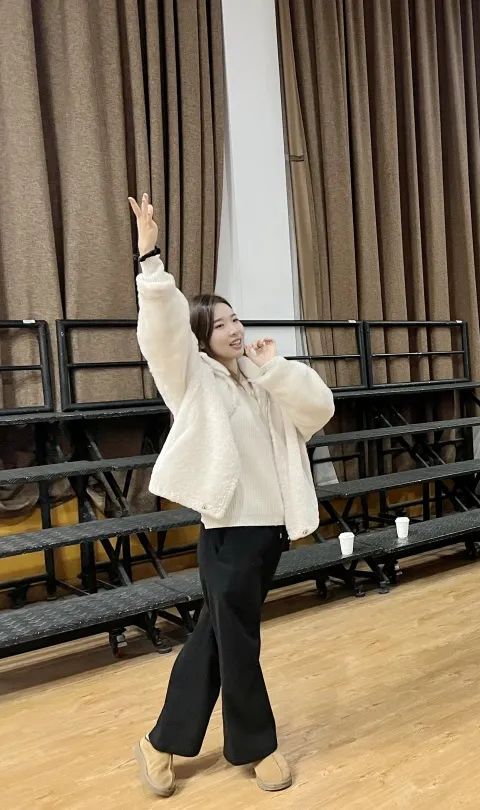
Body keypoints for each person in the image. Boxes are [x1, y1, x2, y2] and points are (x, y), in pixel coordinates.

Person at [127, 194, 335, 797]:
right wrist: (151, 262)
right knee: (237, 639)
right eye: (219, 324)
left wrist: (275, 370)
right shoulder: (192, 379)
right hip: (227, 533)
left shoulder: (261, 380)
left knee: (218, 636)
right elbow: (163, 333)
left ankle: (161, 741)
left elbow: (318, 410)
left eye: (235, 318)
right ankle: (257, 747)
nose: (234, 329)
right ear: (201, 336)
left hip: (269, 532)